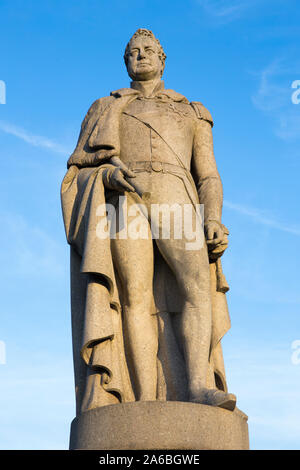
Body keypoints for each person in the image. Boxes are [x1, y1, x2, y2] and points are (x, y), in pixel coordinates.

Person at [61, 28, 236, 415]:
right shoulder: (105, 107)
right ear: (126, 62)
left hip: (177, 197)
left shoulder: (191, 111)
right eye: (132, 52)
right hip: (125, 200)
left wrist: (213, 218)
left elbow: (208, 174)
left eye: (147, 51)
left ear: (162, 59)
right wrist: (105, 176)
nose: (139, 56)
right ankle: (142, 401)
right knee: (133, 297)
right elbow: (77, 168)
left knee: (196, 291)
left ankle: (198, 386)